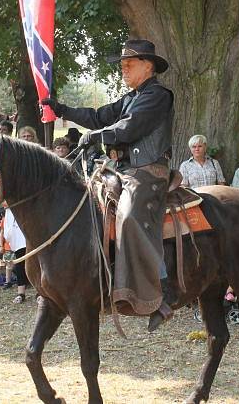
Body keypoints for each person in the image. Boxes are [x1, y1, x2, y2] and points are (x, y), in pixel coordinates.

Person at [42, 38, 175, 332]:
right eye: (122, 66)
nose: (123, 70)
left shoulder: (158, 96)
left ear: (148, 66)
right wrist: (62, 109)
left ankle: (165, 289)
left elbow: (129, 128)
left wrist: (96, 136)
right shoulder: (130, 98)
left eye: (129, 65)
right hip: (123, 170)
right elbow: (98, 116)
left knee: (128, 218)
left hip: (147, 172)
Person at [1, 208, 29, 304]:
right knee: (20, 261)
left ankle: (40, 293)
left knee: (35, 260)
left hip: (28, 217)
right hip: (16, 226)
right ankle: (21, 293)